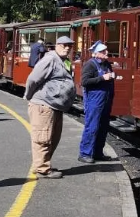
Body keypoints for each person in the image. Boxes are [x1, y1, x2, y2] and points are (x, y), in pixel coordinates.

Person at [24, 35, 75, 178]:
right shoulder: (50, 59)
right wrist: (29, 96)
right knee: (43, 137)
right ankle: (42, 168)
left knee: (53, 137)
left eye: (69, 46)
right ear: (57, 45)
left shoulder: (64, 61)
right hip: (44, 105)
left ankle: (42, 164)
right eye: (64, 45)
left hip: (56, 106)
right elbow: (33, 79)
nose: (67, 48)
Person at [78, 41, 115, 164]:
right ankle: (85, 153)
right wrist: (102, 78)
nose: (106, 53)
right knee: (92, 127)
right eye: (104, 51)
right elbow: (85, 82)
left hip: (105, 99)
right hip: (94, 100)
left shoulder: (106, 64)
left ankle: (98, 152)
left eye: (106, 50)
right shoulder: (90, 65)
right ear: (96, 53)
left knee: (103, 127)